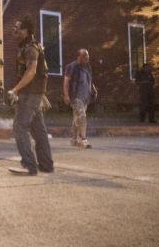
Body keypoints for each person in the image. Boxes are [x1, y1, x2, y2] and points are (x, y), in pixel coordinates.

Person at [7, 17, 54, 176]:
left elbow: (32, 71)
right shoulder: (30, 46)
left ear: (26, 31)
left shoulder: (30, 48)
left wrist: (15, 90)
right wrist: (41, 93)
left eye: (18, 27)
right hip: (35, 93)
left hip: (29, 94)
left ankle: (28, 165)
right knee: (38, 130)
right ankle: (46, 165)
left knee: (20, 127)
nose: (15, 29)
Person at [63, 49, 98, 148]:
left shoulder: (87, 67)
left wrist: (93, 89)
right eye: (85, 55)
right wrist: (66, 95)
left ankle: (74, 140)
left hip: (85, 97)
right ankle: (83, 139)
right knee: (82, 116)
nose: (87, 57)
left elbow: (89, 80)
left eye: (88, 55)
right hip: (75, 97)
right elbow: (66, 82)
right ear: (79, 57)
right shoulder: (72, 67)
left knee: (77, 118)